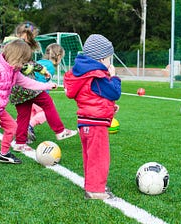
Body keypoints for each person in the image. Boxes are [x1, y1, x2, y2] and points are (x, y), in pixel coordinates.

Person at [0, 39, 57, 177]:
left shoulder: (14, 70)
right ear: (16, 57)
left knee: (12, 127)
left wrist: (47, 86)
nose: (24, 65)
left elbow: (28, 83)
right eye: (23, 61)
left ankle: (4, 154)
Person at [64, 34, 121, 200]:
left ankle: (93, 184)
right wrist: (114, 76)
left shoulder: (83, 74)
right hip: (96, 125)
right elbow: (114, 91)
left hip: (85, 122)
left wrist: (110, 108)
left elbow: (93, 97)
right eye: (109, 59)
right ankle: (95, 190)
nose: (110, 63)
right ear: (102, 59)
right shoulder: (97, 75)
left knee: (90, 156)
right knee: (99, 157)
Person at [7, 22, 77, 152]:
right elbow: (26, 65)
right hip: (27, 86)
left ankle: (20, 143)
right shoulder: (22, 46)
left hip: (16, 89)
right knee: (48, 103)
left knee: (24, 115)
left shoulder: (11, 45)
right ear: (28, 35)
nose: (35, 38)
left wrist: (41, 70)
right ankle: (60, 131)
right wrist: (41, 71)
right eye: (34, 36)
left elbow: (29, 64)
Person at [28, 43, 65, 143]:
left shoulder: (40, 62)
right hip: (37, 93)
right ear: (59, 56)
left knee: (31, 112)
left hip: (27, 91)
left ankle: (24, 132)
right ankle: (30, 125)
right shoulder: (50, 66)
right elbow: (40, 79)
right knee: (48, 110)